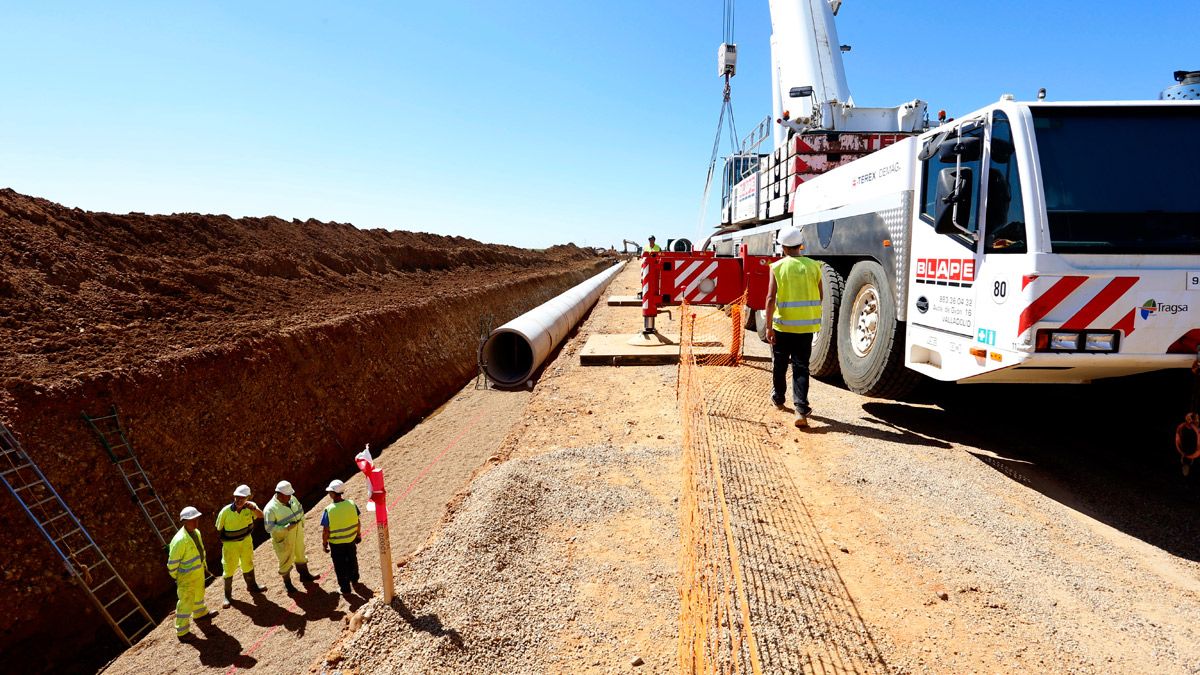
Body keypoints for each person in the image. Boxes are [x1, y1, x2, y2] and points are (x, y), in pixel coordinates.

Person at [765, 225, 823, 428]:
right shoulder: (815, 266)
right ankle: (800, 410)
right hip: (806, 328)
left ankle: (779, 398)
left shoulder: (778, 267)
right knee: (801, 367)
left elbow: (771, 298)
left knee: (779, 365)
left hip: (782, 327)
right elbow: (820, 295)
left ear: (782, 247)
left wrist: (768, 326)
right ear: (801, 245)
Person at [167, 506, 215, 641]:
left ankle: (200, 613)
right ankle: (182, 632)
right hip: (186, 577)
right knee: (185, 602)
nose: (195, 522)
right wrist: (177, 577)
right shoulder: (179, 540)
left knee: (199, 593)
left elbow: (199, 550)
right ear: (184, 521)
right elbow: (172, 564)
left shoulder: (196, 532)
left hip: (197, 571)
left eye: (196, 519)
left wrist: (203, 565)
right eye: (192, 520)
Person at [215, 484, 266, 607]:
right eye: (237, 497)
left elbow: (261, 516)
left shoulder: (250, 508)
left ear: (248, 498)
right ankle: (227, 596)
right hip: (230, 545)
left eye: (242, 498)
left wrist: (254, 508)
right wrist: (227, 540)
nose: (239, 500)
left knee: (247, 562)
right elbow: (219, 527)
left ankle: (252, 586)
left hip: (246, 541)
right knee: (228, 568)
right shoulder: (225, 511)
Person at [263, 480, 315, 593]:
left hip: (297, 533)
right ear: (279, 494)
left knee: (300, 553)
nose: (290, 497)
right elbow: (269, 528)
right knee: (285, 560)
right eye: (287, 495)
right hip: (284, 538)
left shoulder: (292, 499)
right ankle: (287, 584)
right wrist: (285, 528)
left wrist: (301, 523)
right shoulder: (270, 509)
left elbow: (300, 509)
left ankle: (304, 575)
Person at [321, 479, 362, 596]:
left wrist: (324, 544)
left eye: (330, 492)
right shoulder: (352, 504)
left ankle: (345, 588)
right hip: (351, 540)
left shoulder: (329, 510)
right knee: (352, 559)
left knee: (340, 566)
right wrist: (358, 534)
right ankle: (354, 579)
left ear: (333, 493)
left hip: (336, 543)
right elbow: (358, 522)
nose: (329, 494)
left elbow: (326, 531)